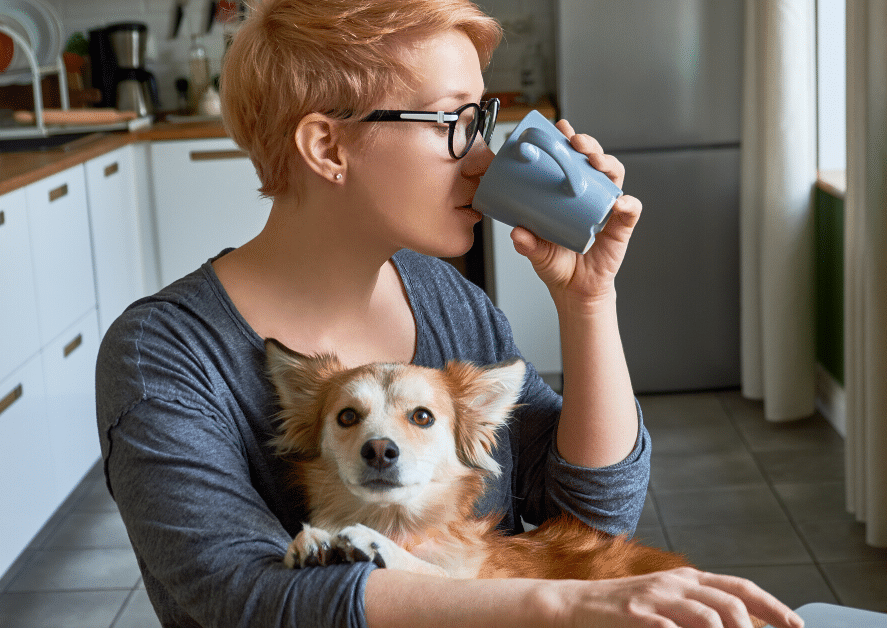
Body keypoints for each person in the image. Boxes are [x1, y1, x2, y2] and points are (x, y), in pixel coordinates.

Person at [96, 1, 805, 626]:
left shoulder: (443, 296)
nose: (483, 159)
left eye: (482, 120)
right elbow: (242, 598)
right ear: (327, 146)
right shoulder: (163, 354)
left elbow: (592, 518)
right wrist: (558, 605)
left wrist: (588, 301)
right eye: (454, 123)